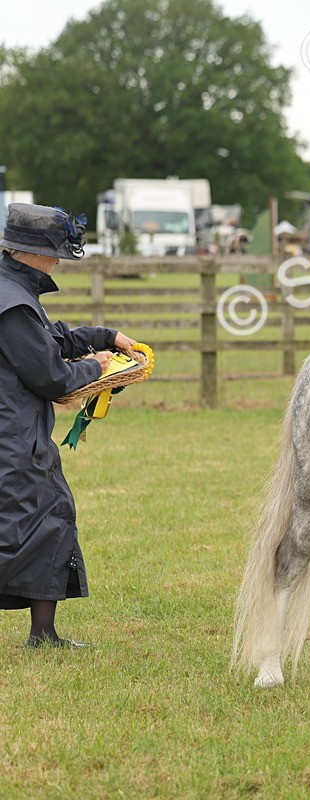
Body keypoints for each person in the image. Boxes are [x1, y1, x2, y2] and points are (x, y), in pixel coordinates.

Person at [0, 203, 139, 648]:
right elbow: (51, 377)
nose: (58, 260)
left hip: (18, 434)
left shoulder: (14, 294)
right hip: (13, 438)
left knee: (43, 520)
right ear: (30, 251)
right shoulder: (14, 306)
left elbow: (51, 339)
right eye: (54, 251)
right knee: (39, 520)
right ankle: (42, 636)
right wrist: (96, 369)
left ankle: (44, 635)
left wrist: (102, 336)